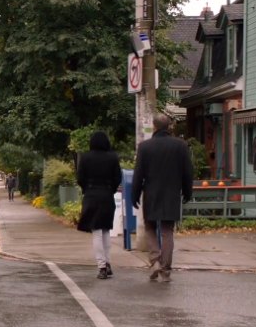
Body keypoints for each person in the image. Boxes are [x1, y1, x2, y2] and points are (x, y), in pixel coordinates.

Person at [132, 114, 193, 282]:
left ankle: (155, 260)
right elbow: (187, 172)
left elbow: (138, 175)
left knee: (150, 227)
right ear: (169, 127)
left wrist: (135, 195)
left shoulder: (145, 147)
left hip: (151, 193)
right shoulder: (180, 146)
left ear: (154, 126)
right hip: (172, 193)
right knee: (167, 231)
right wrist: (187, 191)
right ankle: (166, 269)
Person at [76, 132, 122, 279]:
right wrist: (111, 189)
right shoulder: (112, 157)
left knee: (96, 231)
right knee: (106, 230)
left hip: (91, 195)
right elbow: (118, 177)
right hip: (107, 195)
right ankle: (108, 263)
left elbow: (80, 177)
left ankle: (101, 266)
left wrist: (86, 189)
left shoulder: (86, 157)